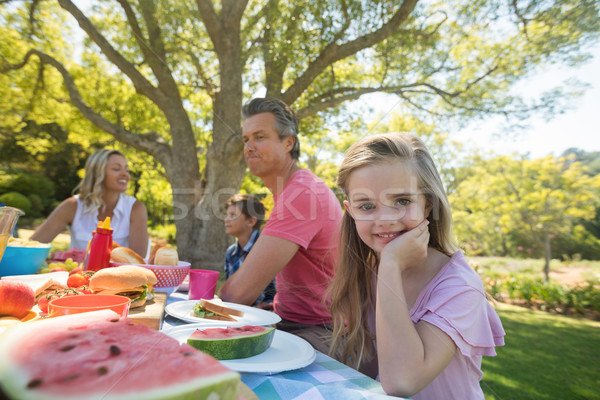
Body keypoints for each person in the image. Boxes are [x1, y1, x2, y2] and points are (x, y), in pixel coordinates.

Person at [328, 133, 505, 399]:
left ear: (427, 205)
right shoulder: (365, 272)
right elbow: (374, 372)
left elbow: (402, 382)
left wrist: (390, 266)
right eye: (366, 206)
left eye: (402, 201)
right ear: (350, 211)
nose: (385, 219)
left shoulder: (459, 286)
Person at [219, 97, 343, 354]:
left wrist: (210, 298)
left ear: (289, 142)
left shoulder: (301, 194)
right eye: (246, 139)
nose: (249, 147)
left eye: (260, 137)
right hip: (289, 321)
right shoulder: (291, 191)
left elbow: (237, 294)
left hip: (321, 332)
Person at [31, 149, 149, 258]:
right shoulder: (72, 206)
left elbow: (138, 259)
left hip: (118, 279)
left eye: (126, 169)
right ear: (97, 173)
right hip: (77, 277)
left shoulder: (135, 208)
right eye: (116, 169)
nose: (126, 175)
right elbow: (32, 246)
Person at [223, 193, 276, 307]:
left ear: (251, 221)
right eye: (227, 214)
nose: (226, 219)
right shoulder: (231, 252)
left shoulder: (268, 250)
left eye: (232, 215)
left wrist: (265, 305)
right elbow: (229, 293)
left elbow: (276, 294)